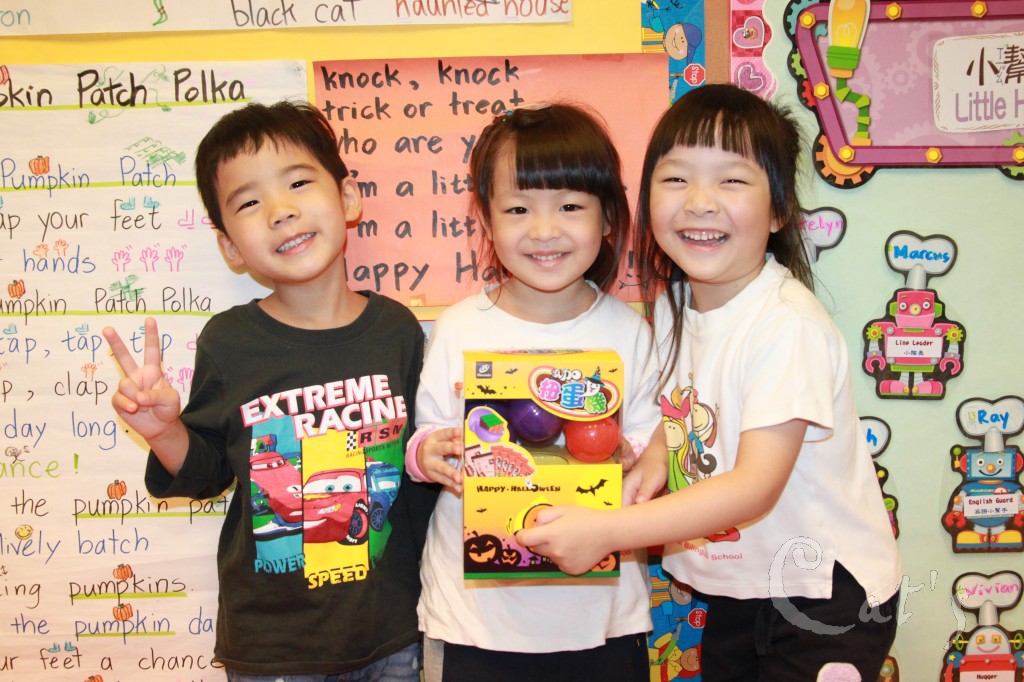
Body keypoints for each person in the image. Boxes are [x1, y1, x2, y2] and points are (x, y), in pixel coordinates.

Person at [518, 84, 902, 680]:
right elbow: (685, 411)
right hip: (739, 584)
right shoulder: (675, 304)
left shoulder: (786, 325)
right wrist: (652, 460)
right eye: (676, 179)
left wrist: (608, 530)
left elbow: (754, 488)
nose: (699, 202)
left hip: (825, 592)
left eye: (732, 180)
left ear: (778, 211)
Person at [102, 101, 436, 681]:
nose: (281, 211)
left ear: (347, 198)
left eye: (299, 183)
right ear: (230, 246)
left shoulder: (397, 329)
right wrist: (164, 432)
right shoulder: (230, 341)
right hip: (272, 645)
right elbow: (209, 471)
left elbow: (416, 462)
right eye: (249, 203)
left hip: (391, 632)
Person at [406, 103, 661, 682]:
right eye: (518, 209)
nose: (544, 231)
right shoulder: (460, 327)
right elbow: (425, 437)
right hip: (474, 618)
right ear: (487, 220)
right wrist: (431, 454)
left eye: (569, 207)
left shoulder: (629, 333)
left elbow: (654, 452)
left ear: (608, 217)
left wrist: (629, 456)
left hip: (601, 618)